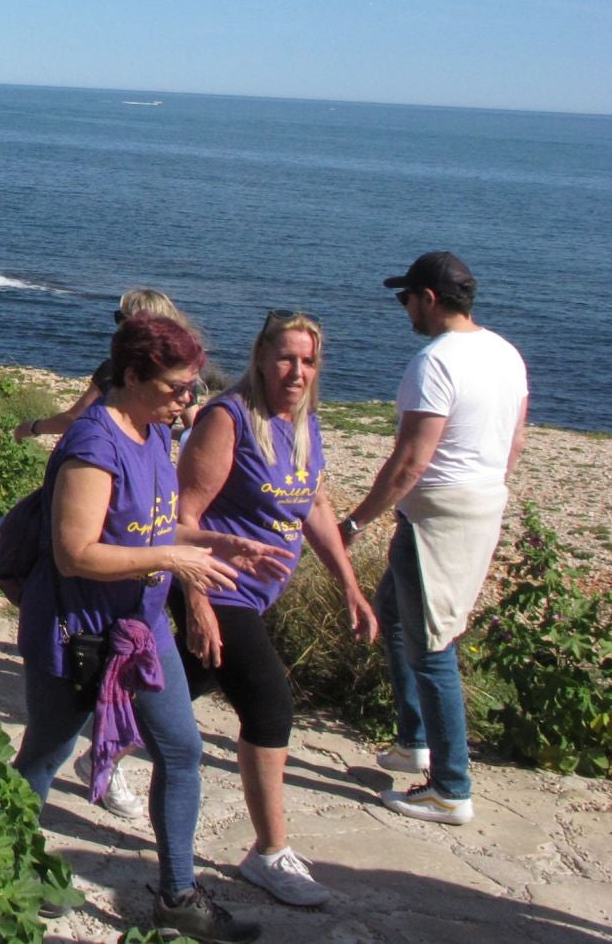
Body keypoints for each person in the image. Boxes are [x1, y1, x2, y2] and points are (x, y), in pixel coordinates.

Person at [12, 315, 285, 944]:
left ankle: (178, 896)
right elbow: (76, 551)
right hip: (77, 632)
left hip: (140, 626)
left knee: (183, 752)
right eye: (176, 387)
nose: (188, 400)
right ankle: (6, 866)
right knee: (45, 756)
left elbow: (154, 528)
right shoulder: (92, 442)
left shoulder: (155, 431)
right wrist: (171, 559)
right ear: (132, 376)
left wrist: (217, 541)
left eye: (192, 387)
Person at [174, 310, 377, 906]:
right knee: (269, 706)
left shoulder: (303, 422)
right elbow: (179, 519)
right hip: (218, 586)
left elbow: (313, 501)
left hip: (256, 595)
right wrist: (197, 601)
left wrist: (348, 583)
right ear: (261, 357)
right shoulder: (227, 419)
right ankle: (268, 854)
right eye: (285, 357)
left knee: (168, 690)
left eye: (308, 360)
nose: (296, 371)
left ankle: (97, 734)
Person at [340, 252, 528, 826]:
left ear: (429, 297)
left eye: (406, 299)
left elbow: (408, 463)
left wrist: (354, 522)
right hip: (474, 503)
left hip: (439, 518)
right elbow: (515, 443)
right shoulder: (506, 353)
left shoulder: (435, 361)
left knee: (433, 645)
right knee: (395, 614)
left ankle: (450, 787)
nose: (404, 310)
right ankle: (412, 741)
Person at [16, 289, 207, 442]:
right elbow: (196, 429)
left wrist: (33, 427)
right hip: (154, 463)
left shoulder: (118, 369)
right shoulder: (182, 374)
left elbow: (74, 419)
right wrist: (164, 433)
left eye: (120, 318)